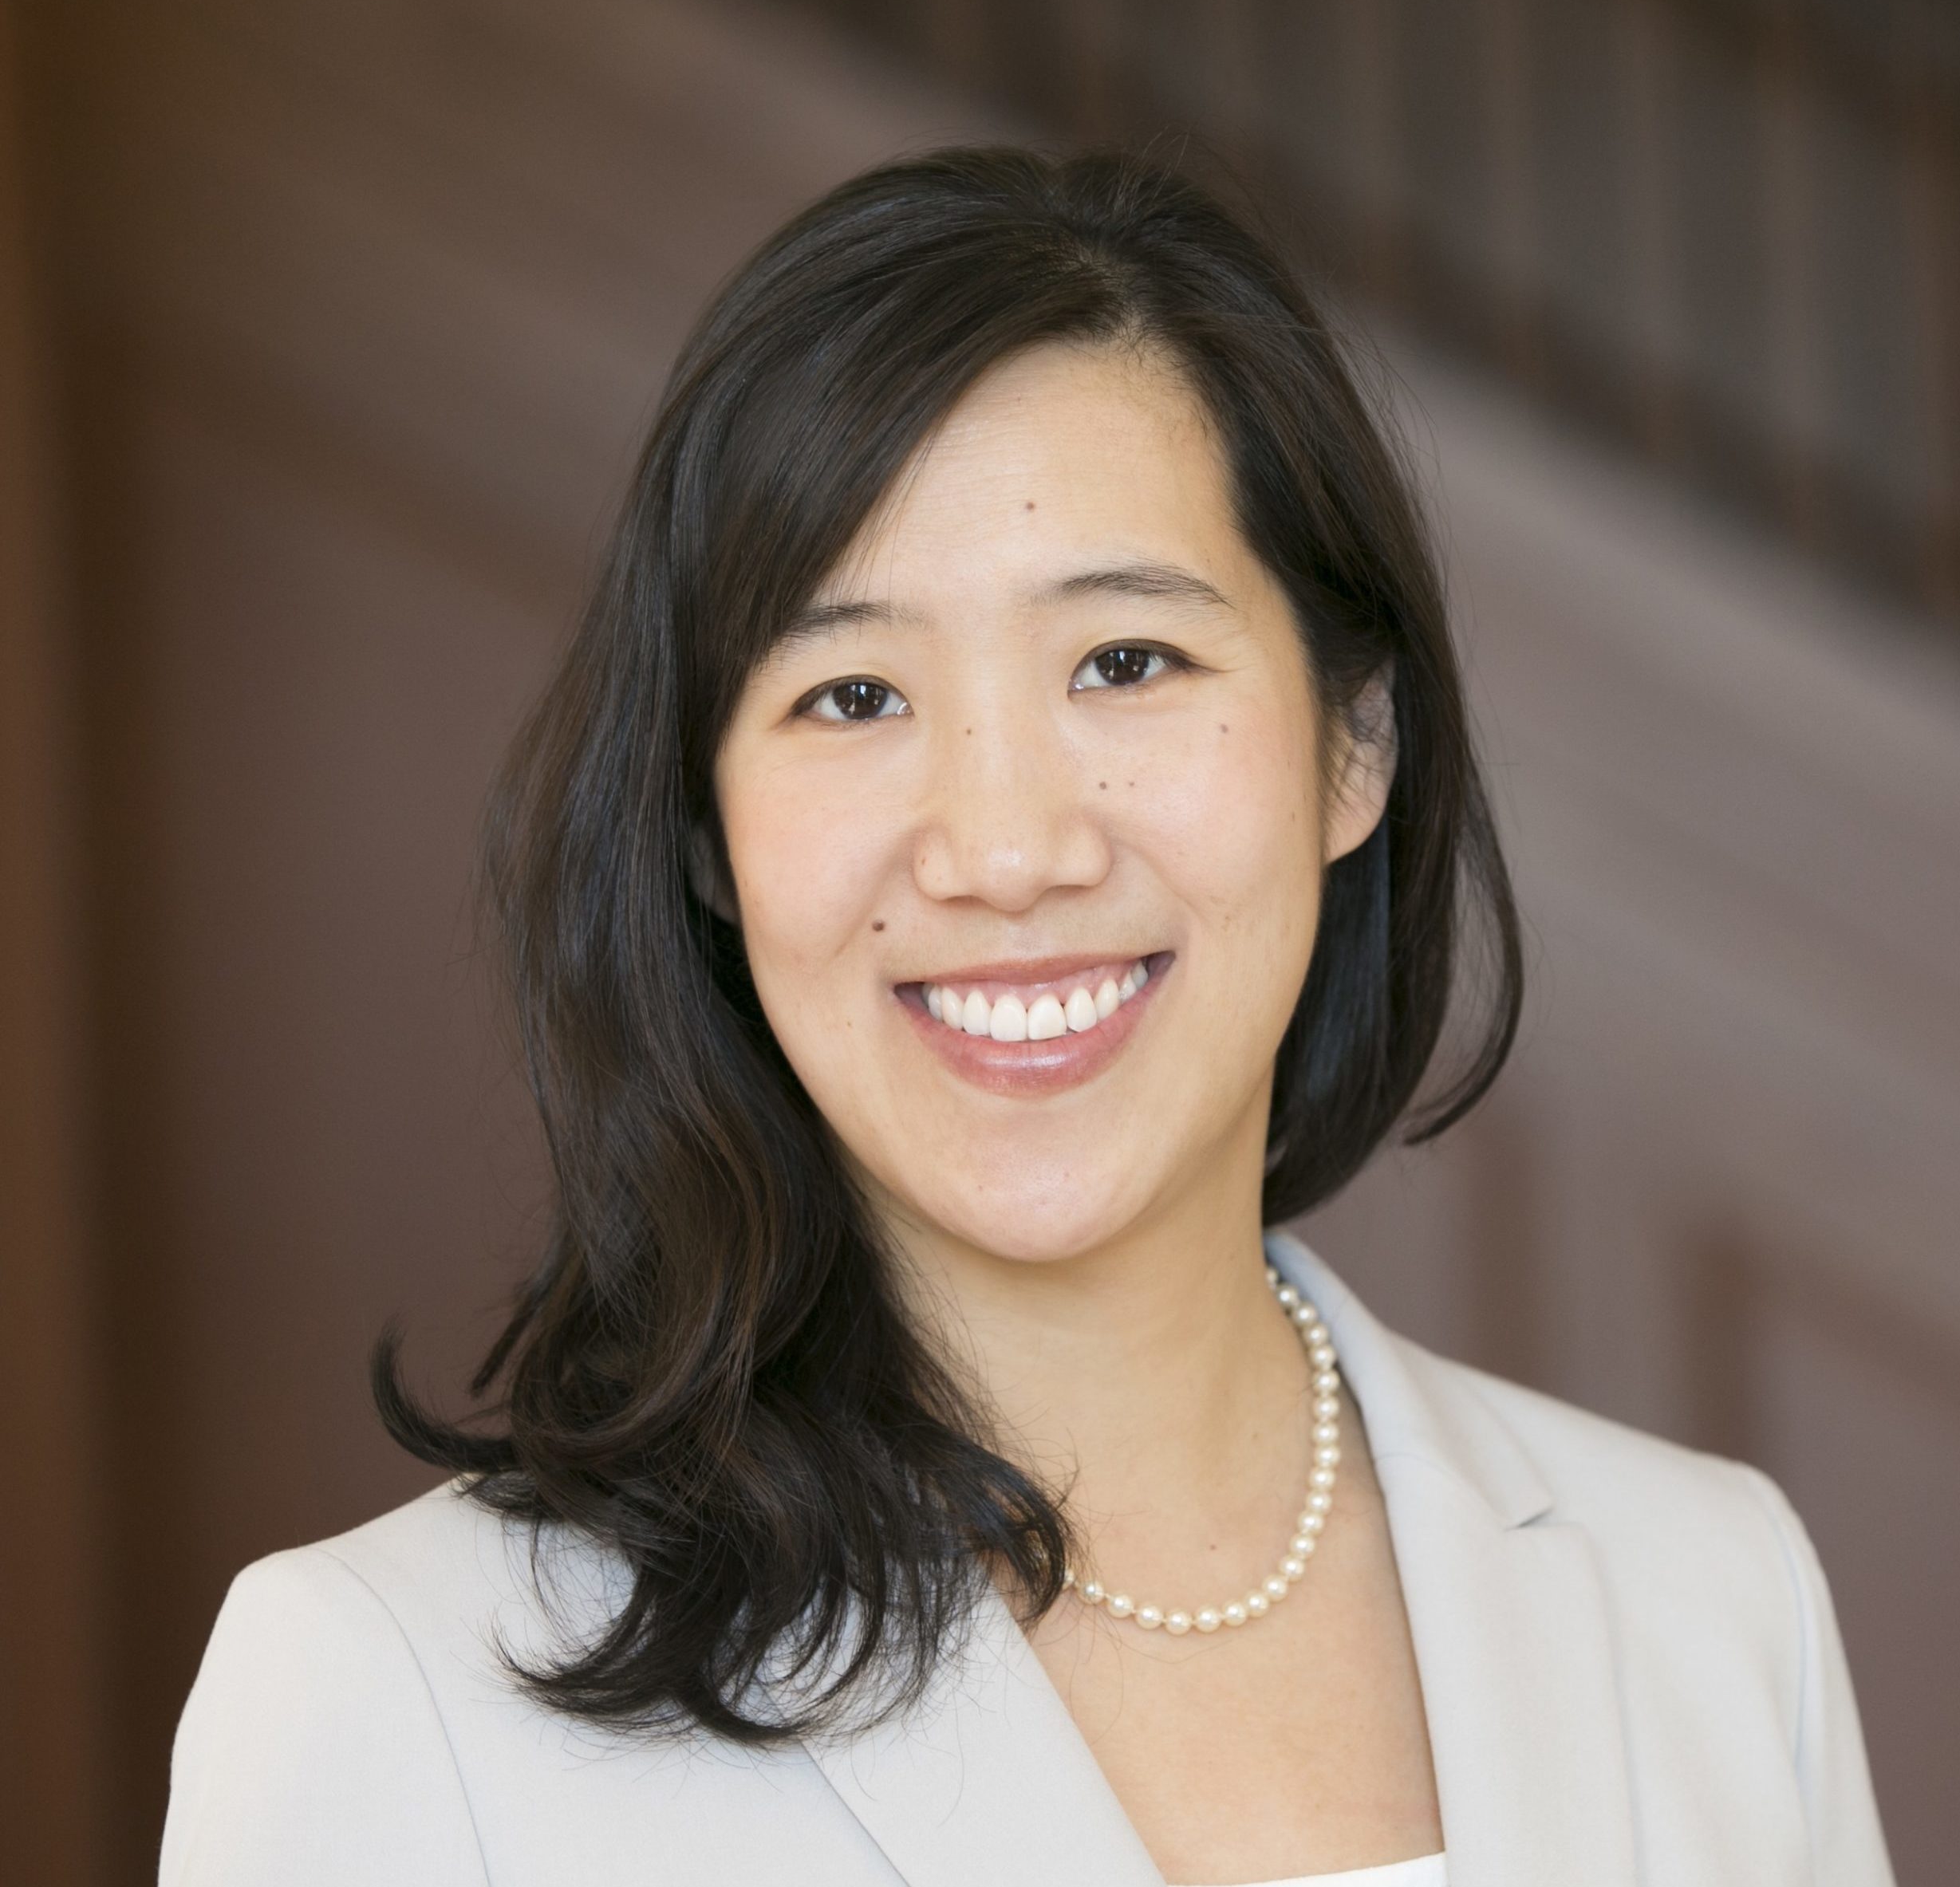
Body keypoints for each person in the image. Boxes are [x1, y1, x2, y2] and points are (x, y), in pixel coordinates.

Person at [160, 146, 1895, 1887]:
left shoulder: (1707, 1592)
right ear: (704, 835)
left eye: (1124, 661)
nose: (1001, 848)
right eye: (851, 694)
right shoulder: (397, 1691)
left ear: (1350, 742)